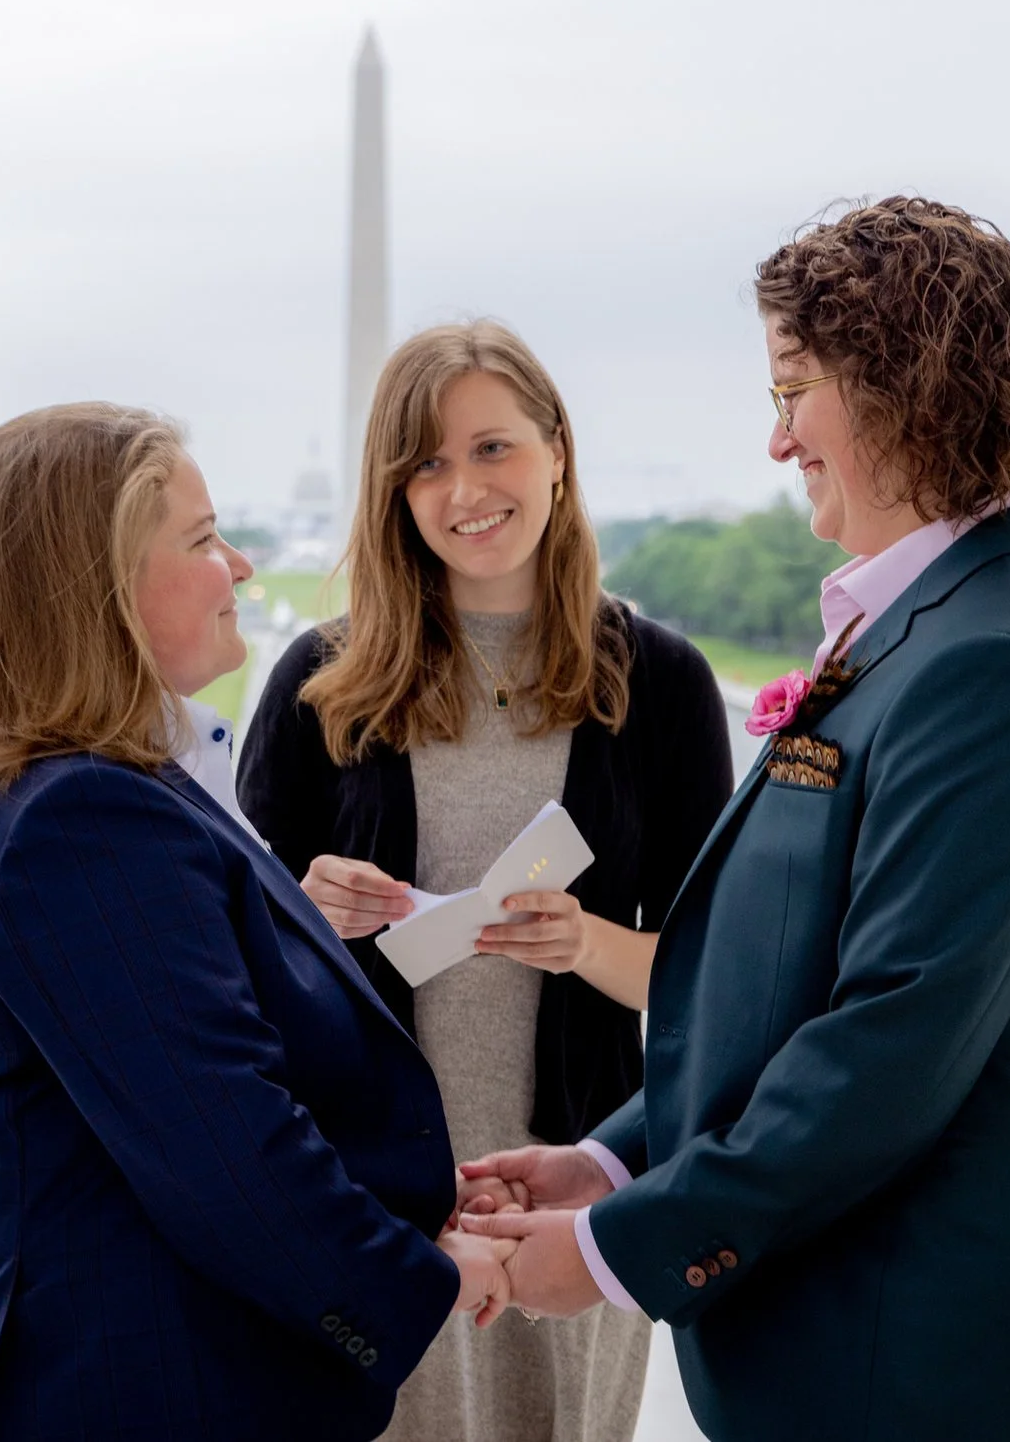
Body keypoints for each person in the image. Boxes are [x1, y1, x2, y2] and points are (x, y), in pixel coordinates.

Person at [459, 198, 1010, 1440]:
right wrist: (611, 1158)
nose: (775, 439)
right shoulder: (928, 621)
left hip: (957, 1373)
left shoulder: (997, 666)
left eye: (794, 389)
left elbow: (886, 1044)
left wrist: (614, 1249)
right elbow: (783, 990)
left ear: (900, 387)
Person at [0, 402, 513, 1442]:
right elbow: (225, 1150)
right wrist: (417, 1276)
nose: (242, 567)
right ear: (96, 590)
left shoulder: (83, 795)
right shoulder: (83, 821)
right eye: (203, 541)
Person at [238, 323, 733, 1442]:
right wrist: (304, 918)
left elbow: (719, 984)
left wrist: (584, 943)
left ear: (557, 451)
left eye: (493, 448)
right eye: (423, 462)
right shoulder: (320, 682)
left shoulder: (658, 685)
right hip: (370, 1202)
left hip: (565, 1195)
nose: (463, 488)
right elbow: (229, 982)